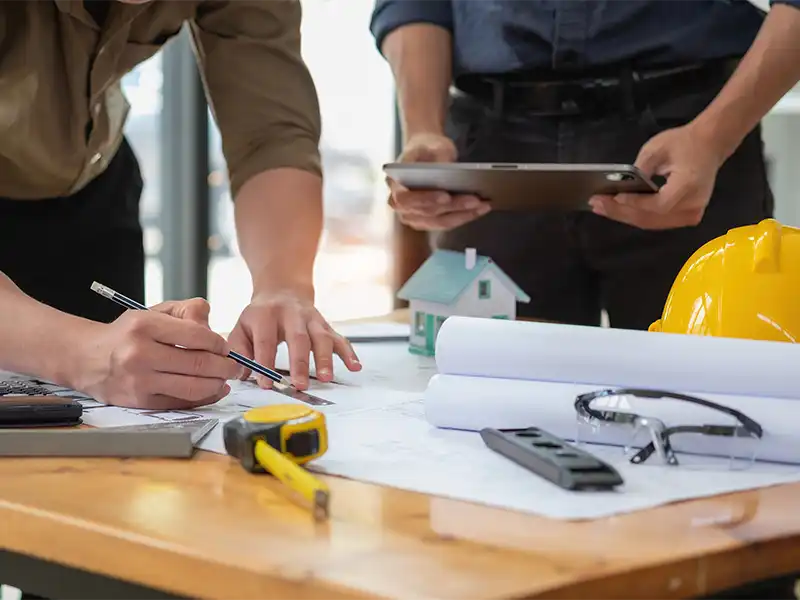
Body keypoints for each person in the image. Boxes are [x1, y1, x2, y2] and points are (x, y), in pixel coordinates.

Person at [0, 0, 364, 416]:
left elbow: (270, 132)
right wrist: (79, 352)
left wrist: (282, 285)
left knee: (113, 425)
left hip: (93, 184)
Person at [373, 0, 800, 332]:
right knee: (484, 409)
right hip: (491, 150)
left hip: (686, 133)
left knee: (709, 404)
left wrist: (712, 137)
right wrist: (423, 129)